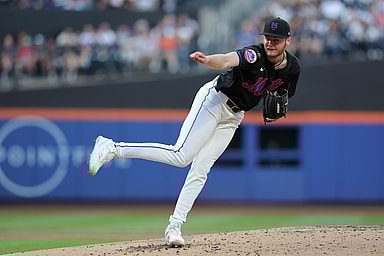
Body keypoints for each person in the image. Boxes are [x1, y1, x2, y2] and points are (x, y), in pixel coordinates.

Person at [88, 17, 301, 247]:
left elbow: (282, 96)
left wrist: (277, 106)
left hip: (234, 116)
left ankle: (174, 227)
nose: (270, 43)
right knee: (181, 156)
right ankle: (112, 148)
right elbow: (227, 60)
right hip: (214, 101)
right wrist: (208, 60)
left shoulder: (292, 68)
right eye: (268, 38)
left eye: (276, 40)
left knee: (201, 169)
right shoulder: (254, 55)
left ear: (287, 41)